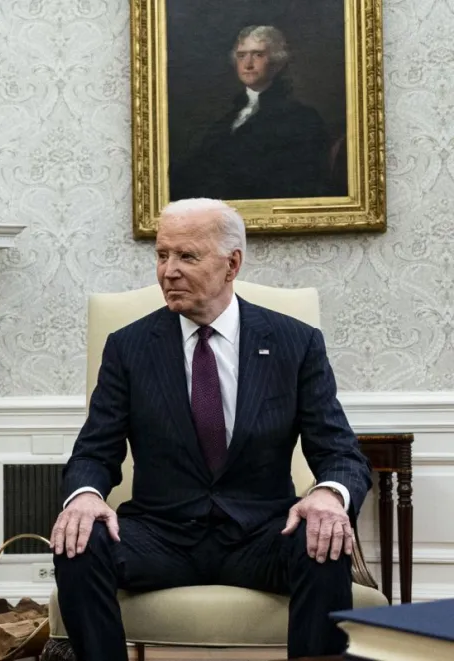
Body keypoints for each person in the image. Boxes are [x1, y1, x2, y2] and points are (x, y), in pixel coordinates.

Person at [50, 198, 372, 659]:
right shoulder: (129, 347)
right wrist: (84, 496)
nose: (169, 271)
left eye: (187, 256)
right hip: (161, 535)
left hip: (262, 535)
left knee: (323, 539)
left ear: (231, 264)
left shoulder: (294, 343)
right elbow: (94, 452)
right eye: (162, 255)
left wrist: (329, 495)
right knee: (79, 542)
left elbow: (340, 451)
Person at [169, 26, 337, 200]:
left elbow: (301, 183)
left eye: (258, 55)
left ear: (277, 62)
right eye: (241, 56)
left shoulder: (302, 118)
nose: (248, 64)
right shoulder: (227, 118)